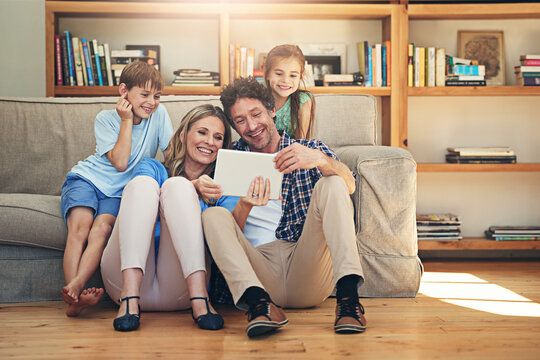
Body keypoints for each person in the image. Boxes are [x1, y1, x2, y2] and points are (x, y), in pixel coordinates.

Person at [202, 77, 366, 338]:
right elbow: (224, 233)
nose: (252, 126)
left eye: (256, 114)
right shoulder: (228, 159)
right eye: (240, 120)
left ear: (272, 111)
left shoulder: (309, 149)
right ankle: (258, 305)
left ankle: (348, 299)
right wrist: (241, 202)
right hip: (258, 274)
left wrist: (321, 161)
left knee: (333, 183)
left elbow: (349, 185)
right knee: (212, 215)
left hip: (307, 266)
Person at [101, 104, 266, 332]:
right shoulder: (153, 167)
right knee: (146, 184)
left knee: (178, 186)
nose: (210, 141)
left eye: (218, 137)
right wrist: (192, 187)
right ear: (183, 134)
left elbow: (229, 238)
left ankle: (200, 301)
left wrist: (246, 203)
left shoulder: (222, 187)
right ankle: (129, 300)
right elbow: (136, 199)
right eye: (202, 132)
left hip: (180, 289)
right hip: (121, 283)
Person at [60, 61, 173, 317]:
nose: (152, 102)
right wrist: (126, 119)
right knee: (80, 228)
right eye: (144, 95)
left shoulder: (160, 114)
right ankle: (73, 296)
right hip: (87, 180)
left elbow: (171, 154)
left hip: (118, 193)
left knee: (101, 230)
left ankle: (76, 288)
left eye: (156, 96)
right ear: (124, 91)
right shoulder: (106, 119)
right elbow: (121, 162)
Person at [263, 44, 315, 139]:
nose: (286, 80)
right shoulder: (258, 99)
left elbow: (301, 142)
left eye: (293, 75)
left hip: (293, 151)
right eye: (279, 74)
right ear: (267, 73)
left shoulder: (303, 101)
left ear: (301, 76)